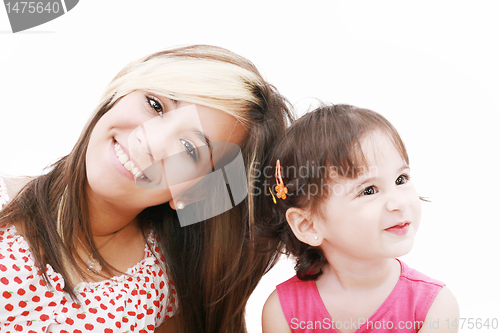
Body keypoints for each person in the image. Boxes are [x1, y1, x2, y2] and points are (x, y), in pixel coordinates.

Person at [0, 45, 293, 333]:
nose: (151, 141)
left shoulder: (160, 288)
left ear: (196, 192)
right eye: (155, 105)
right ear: (124, 89)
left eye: (190, 149)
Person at [257, 105, 459, 332]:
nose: (399, 203)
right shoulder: (284, 311)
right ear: (308, 225)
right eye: (369, 190)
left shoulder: (434, 307)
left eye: (401, 179)